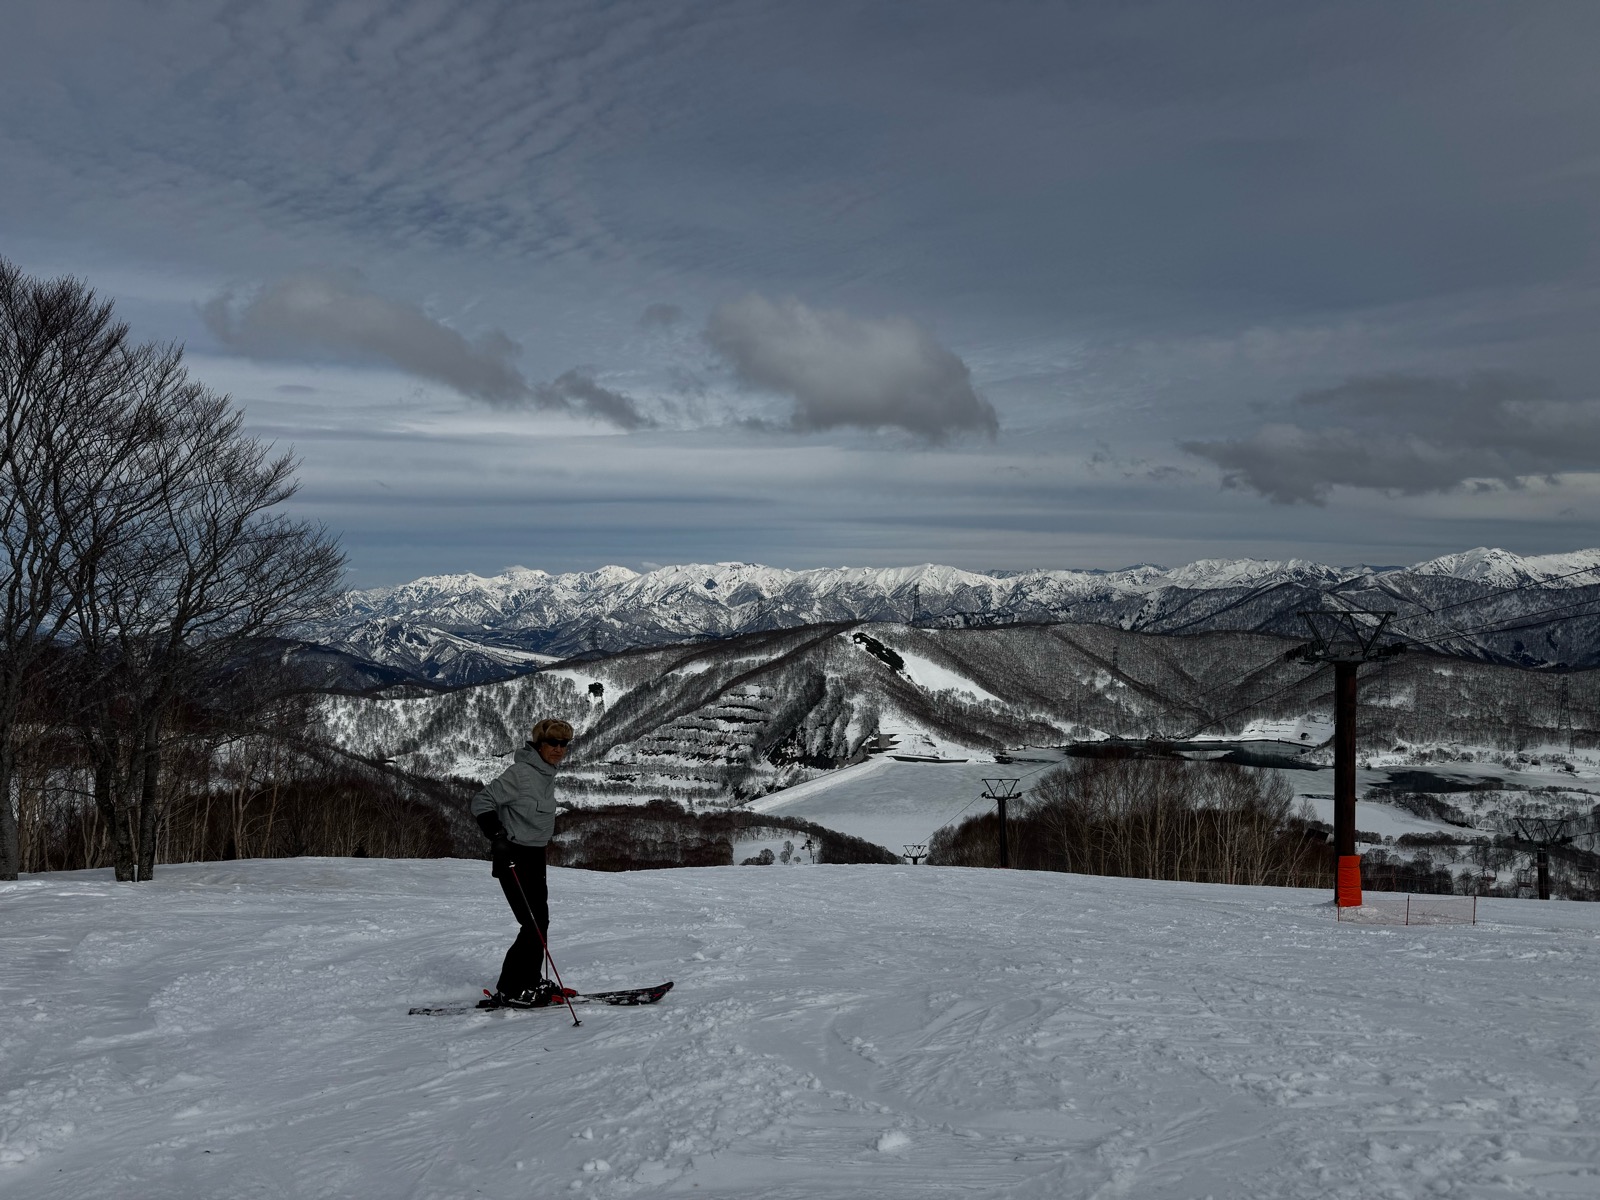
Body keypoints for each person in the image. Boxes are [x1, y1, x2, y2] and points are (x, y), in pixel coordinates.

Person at [470, 717, 575, 1007]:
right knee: (531, 924)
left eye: (564, 744)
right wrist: (497, 835)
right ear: (539, 744)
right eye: (552, 743)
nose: (558, 749)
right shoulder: (522, 773)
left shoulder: (546, 773)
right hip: (513, 857)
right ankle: (512, 988)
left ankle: (529, 980)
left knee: (540, 922)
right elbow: (481, 802)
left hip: (535, 856)